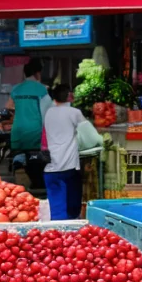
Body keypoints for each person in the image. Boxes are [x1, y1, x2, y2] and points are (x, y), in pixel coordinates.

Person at [43, 84, 85, 220]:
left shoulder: (48, 112)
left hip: (50, 168)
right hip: (69, 168)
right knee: (72, 211)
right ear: (70, 97)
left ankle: (56, 234)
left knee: (56, 211)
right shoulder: (74, 113)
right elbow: (90, 136)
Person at [10, 59, 51, 153]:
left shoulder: (16, 89)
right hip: (34, 133)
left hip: (17, 131)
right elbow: (47, 115)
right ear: (38, 73)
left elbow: (9, 106)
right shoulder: (42, 90)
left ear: (25, 73)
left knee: (18, 160)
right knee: (34, 162)